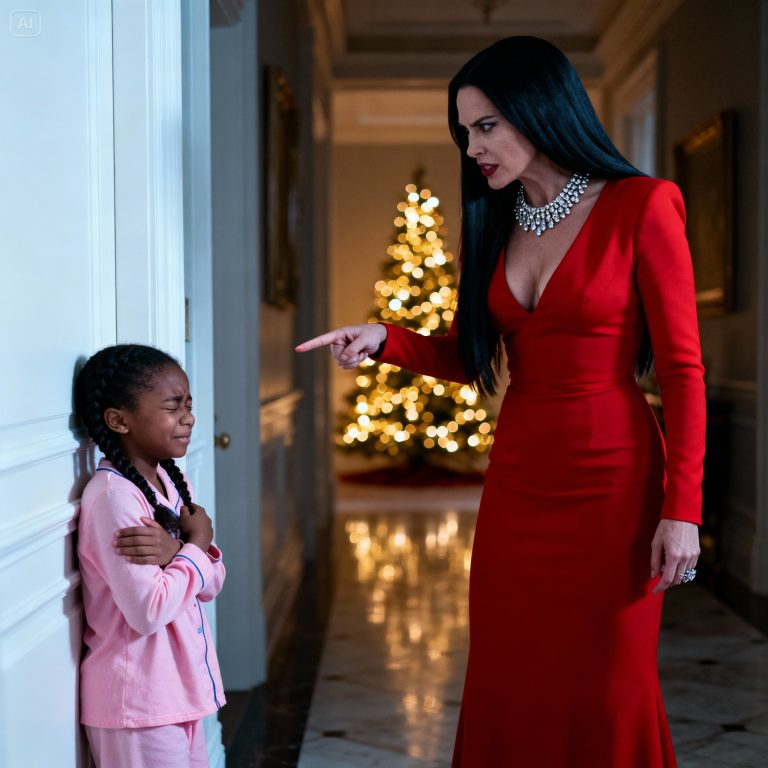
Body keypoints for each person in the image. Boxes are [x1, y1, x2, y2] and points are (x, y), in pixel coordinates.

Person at [297, 36, 704, 767]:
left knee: (611, 681)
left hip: (616, 481)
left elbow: (682, 370)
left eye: (487, 125)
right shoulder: (492, 222)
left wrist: (683, 511)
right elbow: (469, 356)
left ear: (540, 111)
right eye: (465, 130)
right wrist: (385, 338)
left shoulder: (644, 204)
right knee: (510, 675)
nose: (473, 146)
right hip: (519, 484)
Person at [74, 344, 226, 768]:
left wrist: (180, 550)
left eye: (189, 405)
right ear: (119, 420)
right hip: (138, 704)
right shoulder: (113, 498)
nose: (189, 417)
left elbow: (213, 583)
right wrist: (195, 547)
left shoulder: (173, 483)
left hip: (181, 693)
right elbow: (148, 610)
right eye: (172, 407)